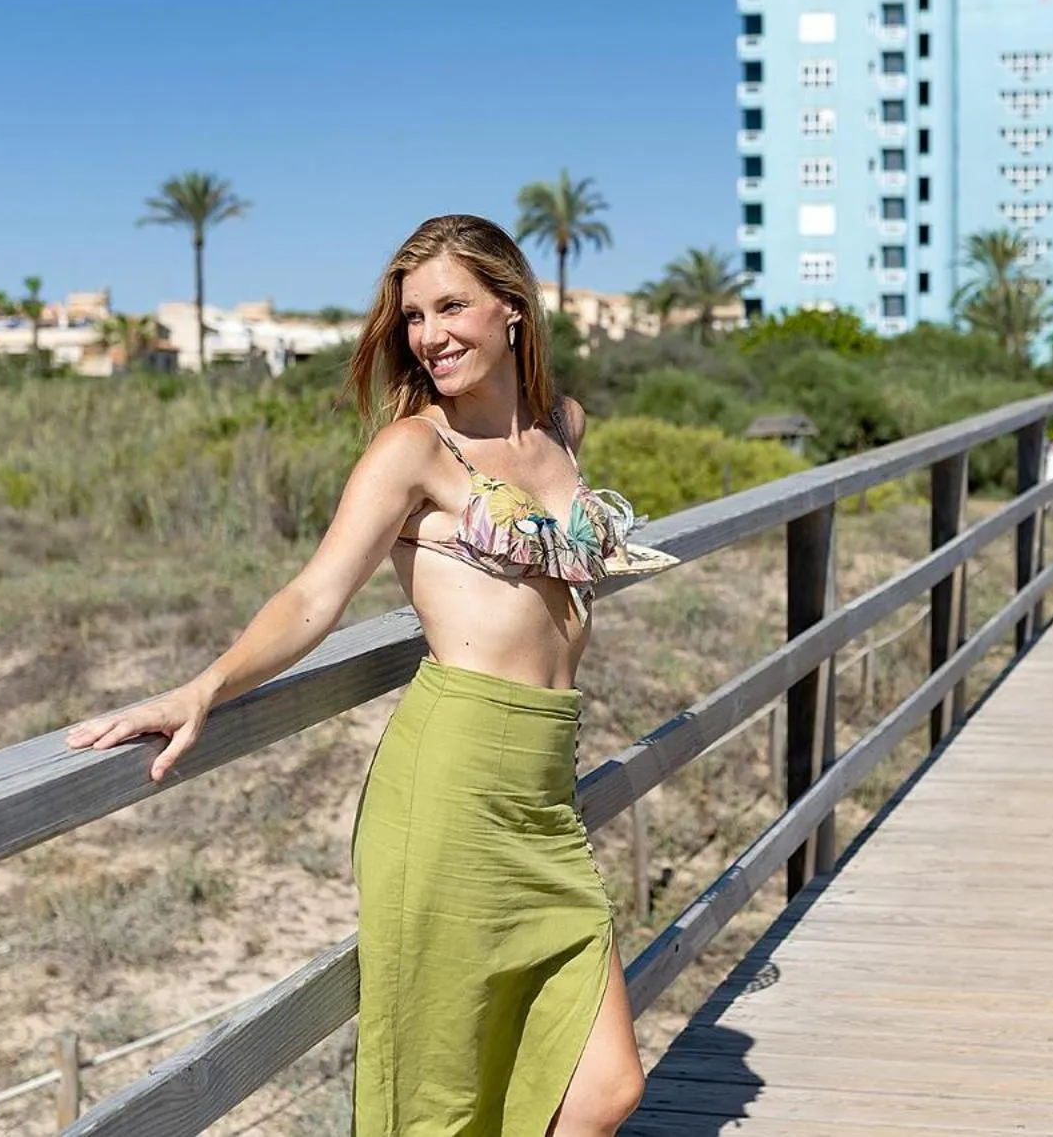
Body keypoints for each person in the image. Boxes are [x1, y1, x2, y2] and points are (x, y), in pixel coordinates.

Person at [66, 214, 661, 1136]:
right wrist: (203, 687)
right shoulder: (412, 451)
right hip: (453, 781)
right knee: (441, 1097)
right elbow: (314, 595)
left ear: (511, 307)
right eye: (414, 316)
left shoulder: (563, 428)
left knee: (603, 1088)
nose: (431, 334)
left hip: (544, 788)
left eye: (452, 304)